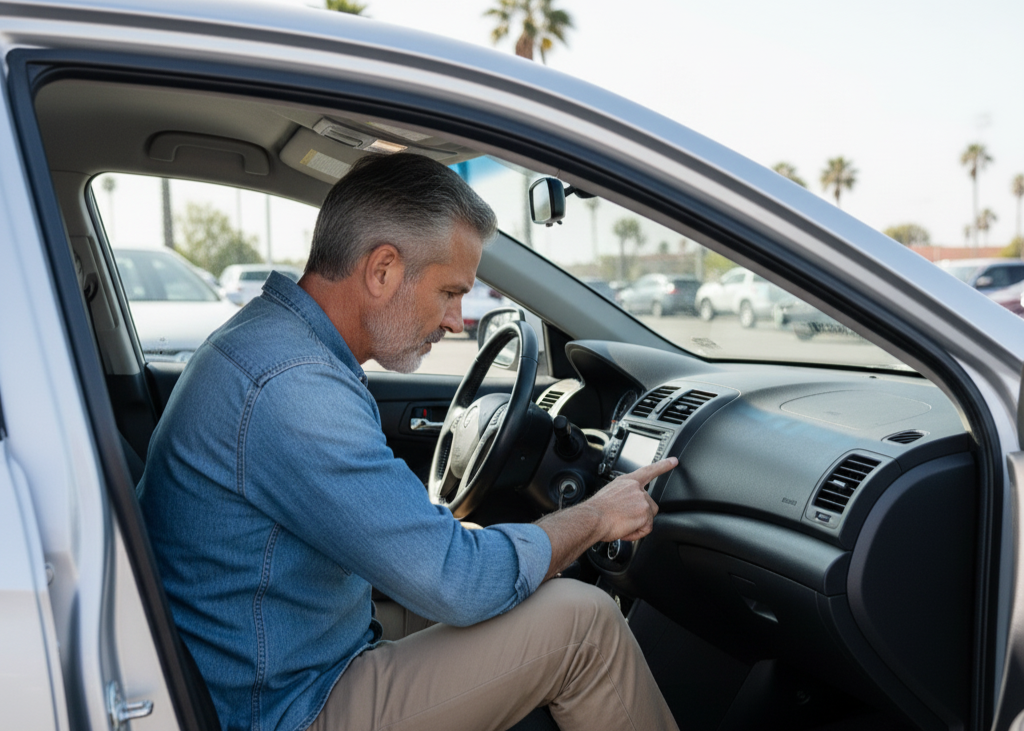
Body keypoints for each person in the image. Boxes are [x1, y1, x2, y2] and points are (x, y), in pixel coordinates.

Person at [139, 152, 680, 731]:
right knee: (584, 625)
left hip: (283, 653)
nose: (457, 320)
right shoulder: (295, 388)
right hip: (286, 707)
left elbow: (419, 552)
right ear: (382, 271)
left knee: (498, 568)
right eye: (450, 291)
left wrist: (480, 545)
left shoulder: (270, 342)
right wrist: (595, 518)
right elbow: (459, 584)